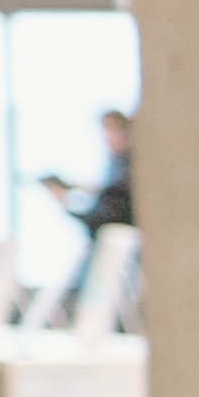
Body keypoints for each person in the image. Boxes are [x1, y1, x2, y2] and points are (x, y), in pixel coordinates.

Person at [42, 107, 135, 322]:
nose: (107, 138)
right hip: (103, 244)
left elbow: (110, 213)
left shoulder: (129, 167)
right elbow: (97, 218)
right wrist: (67, 200)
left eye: (112, 130)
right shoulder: (115, 166)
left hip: (121, 252)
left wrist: (75, 195)